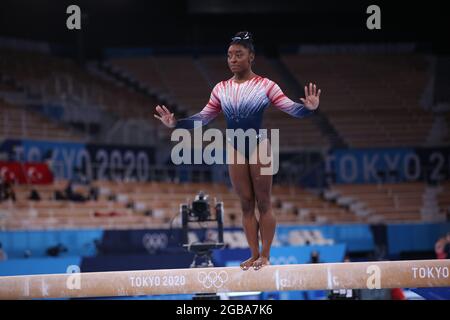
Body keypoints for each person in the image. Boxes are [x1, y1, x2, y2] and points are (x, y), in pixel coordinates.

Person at [154, 31, 321, 270]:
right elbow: (203, 118)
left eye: (239, 54)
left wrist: (308, 109)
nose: (232, 59)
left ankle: (265, 255)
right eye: (230, 55)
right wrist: (176, 124)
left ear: (251, 57)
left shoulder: (266, 85)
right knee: (245, 204)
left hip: (258, 145)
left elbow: (291, 108)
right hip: (234, 146)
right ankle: (253, 254)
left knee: (264, 202)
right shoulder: (221, 88)